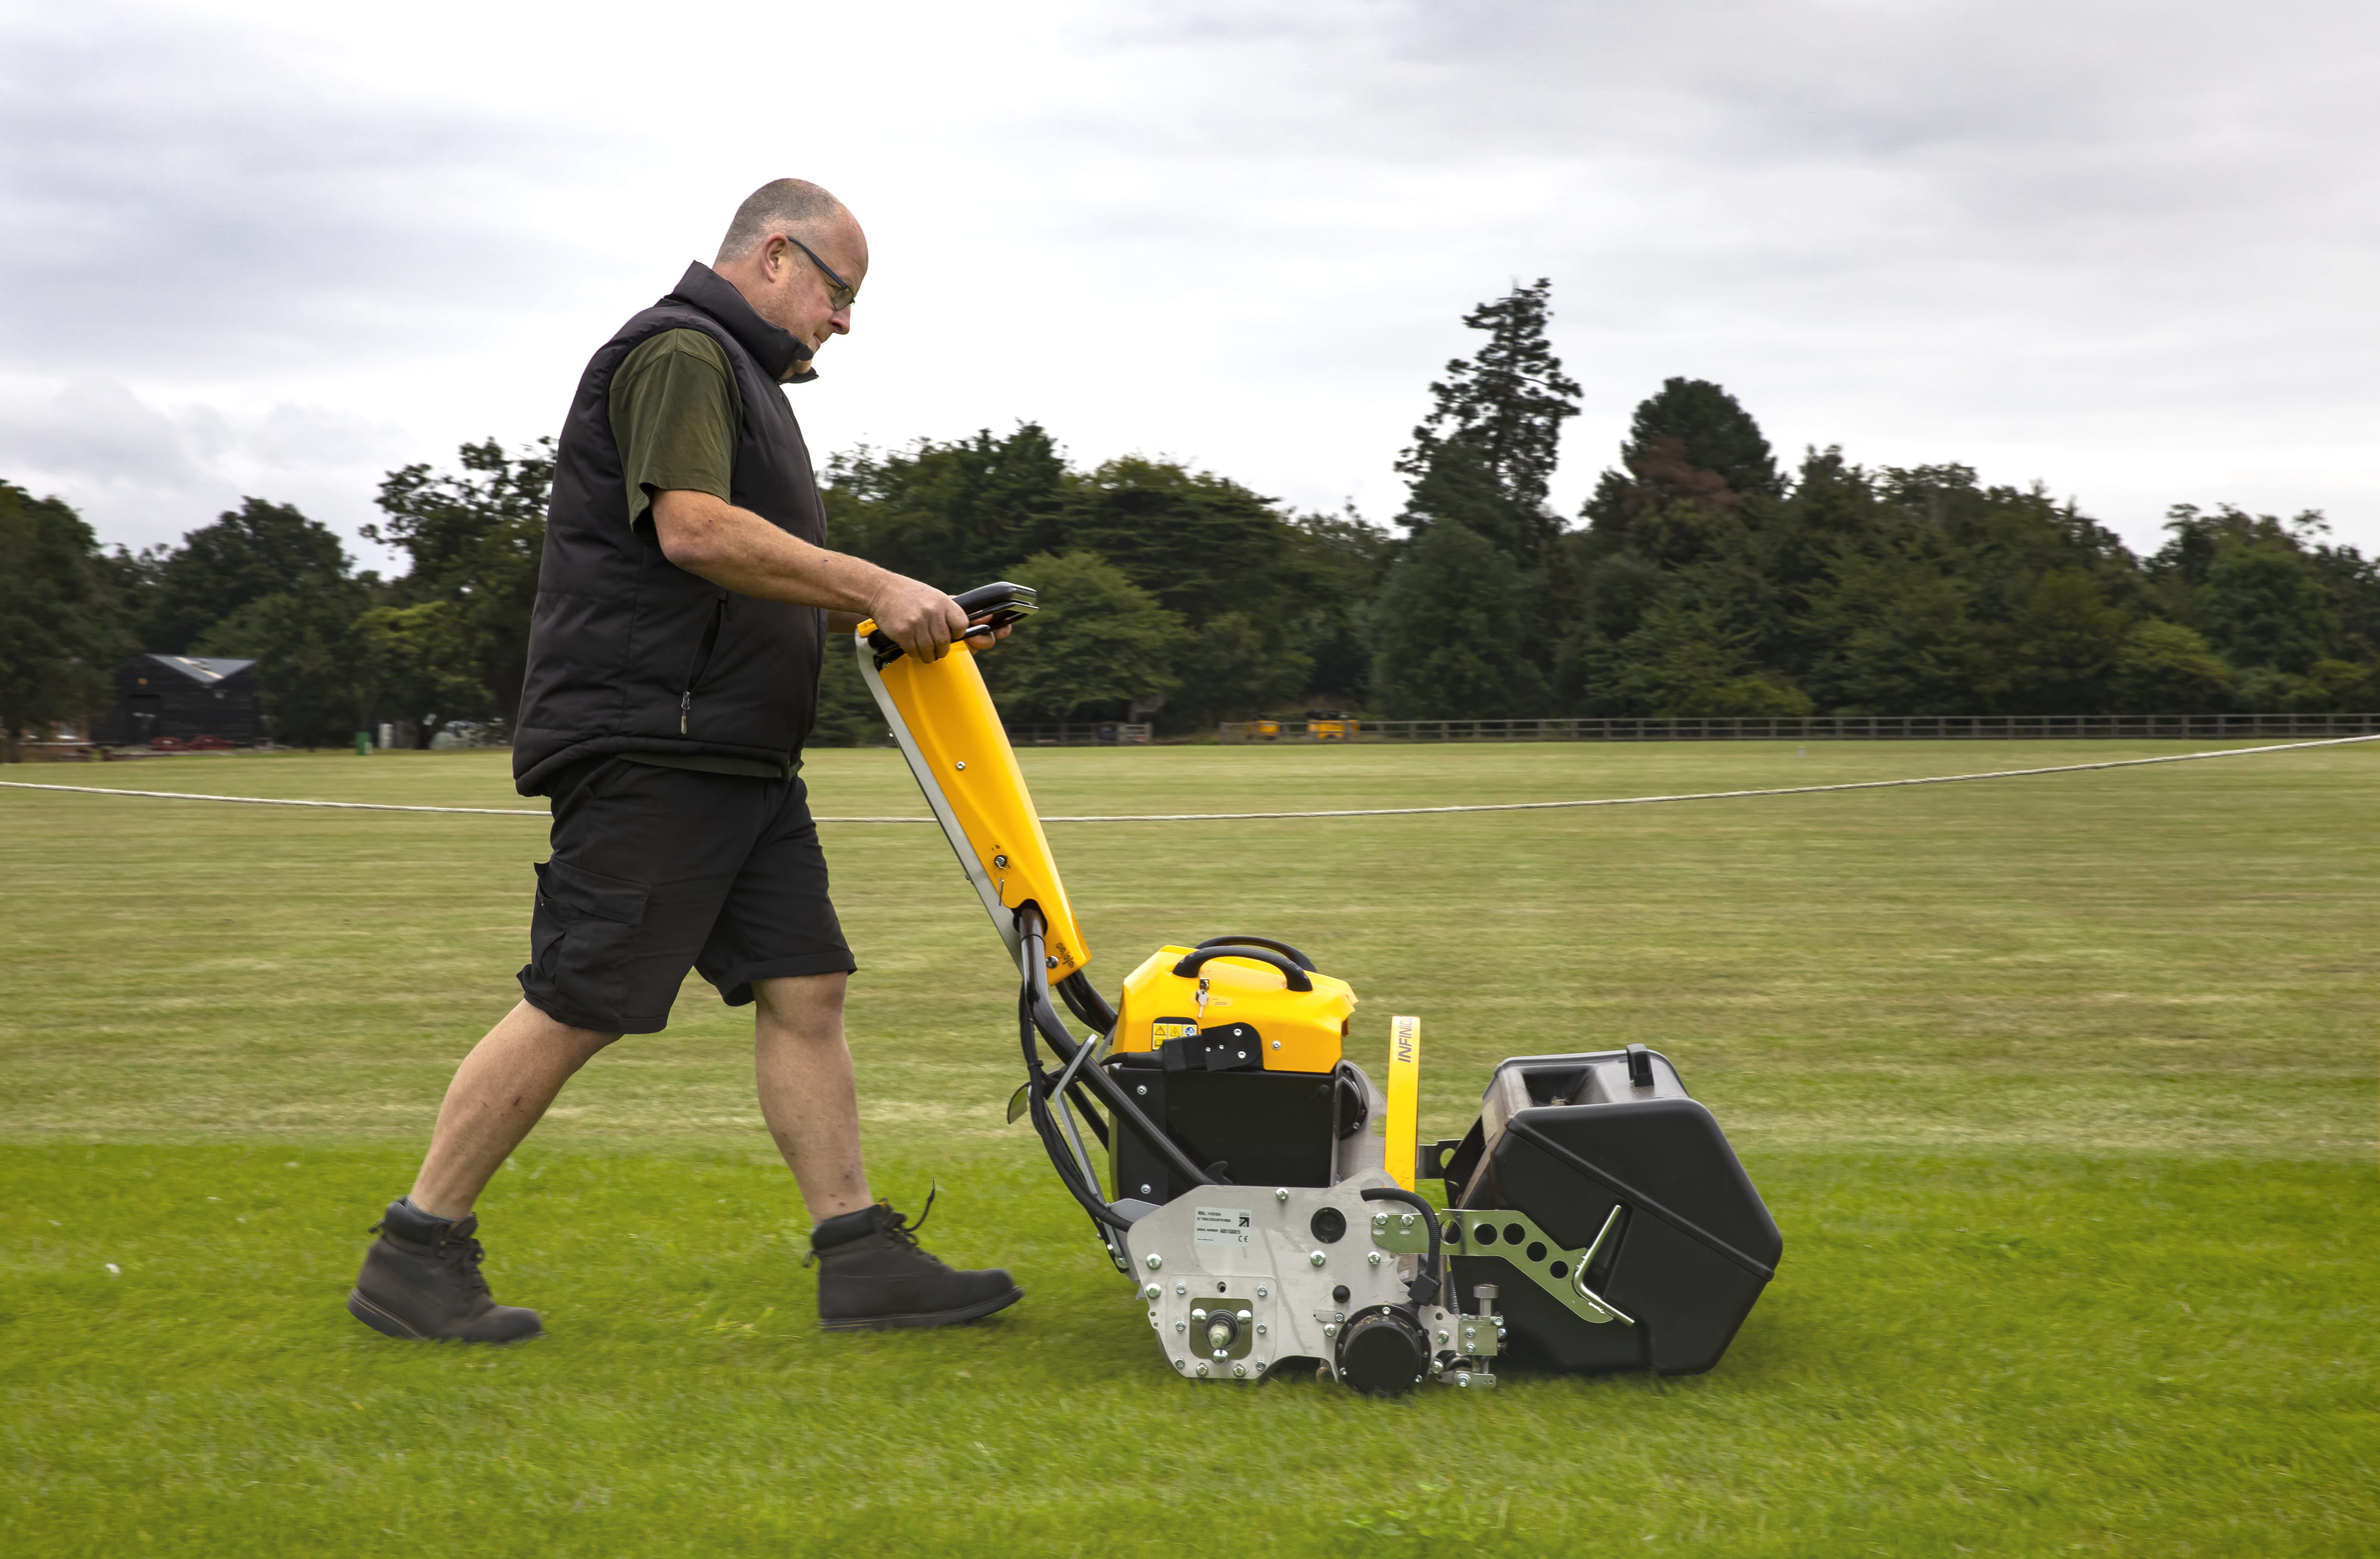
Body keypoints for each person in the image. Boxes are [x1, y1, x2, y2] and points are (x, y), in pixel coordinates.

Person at [346, 179, 1020, 1342]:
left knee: (807, 985)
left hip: (739, 757)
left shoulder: (747, 380)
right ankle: (417, 1248)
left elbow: (748, 575)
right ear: (774, 253)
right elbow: (693, 530)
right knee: (580, 996)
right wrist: (873, 583)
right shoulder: (680, 351)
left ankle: (858, 1253)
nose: (845, 320)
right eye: (839, 290)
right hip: (656, 747)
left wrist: (913, 616)